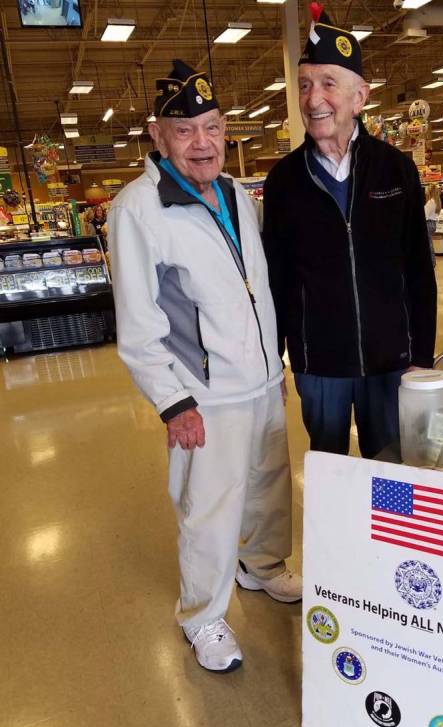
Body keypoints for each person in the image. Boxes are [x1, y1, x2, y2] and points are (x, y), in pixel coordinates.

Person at [108, 60, 301, 675]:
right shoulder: (138, 210)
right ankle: (202, 617)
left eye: (213, 128)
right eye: (185, 130)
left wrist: (277, 365)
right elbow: (138, 324)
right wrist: (173, 401)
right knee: (210, 507)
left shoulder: (238, 194)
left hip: (263, 379)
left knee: (268, 489)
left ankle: (263, 566)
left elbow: (253, 288)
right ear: (158, 136)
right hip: (205, 394)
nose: (202, 143)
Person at [263, 5, 437, 459]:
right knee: (329, 475)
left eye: (327, 83)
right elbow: (277, 281)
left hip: (391, 362)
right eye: (304, 84)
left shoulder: (395, 169)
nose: (313, 98)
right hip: (319, 366)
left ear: (360, 97)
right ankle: (339, 535)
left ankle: (388, 535)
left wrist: (422, 355)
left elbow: (420, 269)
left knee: (392, 475)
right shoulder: (284, 181)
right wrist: (274, 362)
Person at [424, 184, 440, 269]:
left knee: (428, 244)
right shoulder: (437, 201)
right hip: (433, 223)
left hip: (428, 223)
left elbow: (425, 215)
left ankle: (431, 262)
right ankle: (432, 261)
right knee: (430, 243)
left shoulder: (430, 202)